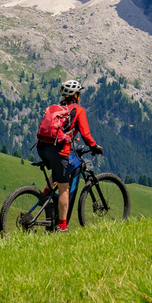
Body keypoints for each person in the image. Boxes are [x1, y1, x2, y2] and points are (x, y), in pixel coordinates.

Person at [35, 79, 103, 231]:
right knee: (64, 188)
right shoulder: (78, 110)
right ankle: (62, 227)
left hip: (42, 148)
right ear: (76, 95)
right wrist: (94, 146)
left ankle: (45, 196)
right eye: (79, 93)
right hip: (58, 150)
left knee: (57, 170)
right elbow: (85, 134)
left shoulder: (57, 108)